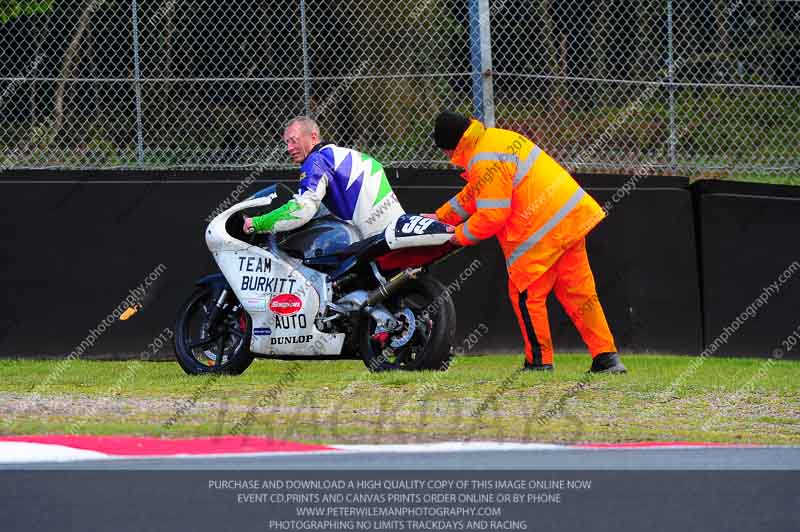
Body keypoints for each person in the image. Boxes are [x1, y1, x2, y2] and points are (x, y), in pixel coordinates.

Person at [424, 111, 626, 373]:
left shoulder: (482, 159)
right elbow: (474, 194)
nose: (447, 158)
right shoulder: (494, 141)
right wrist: (440, 217)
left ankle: (539, 363)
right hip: (569, 220)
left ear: (452, 145)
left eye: (444, 152)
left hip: (540, 233)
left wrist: (455, 237)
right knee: (580, 294)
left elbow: (492, 216)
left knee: (526, 296)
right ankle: (607, 357)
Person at [243, 116, 404, 238]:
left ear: (313, 137)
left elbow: (302, 209)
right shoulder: (349, 154)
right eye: (286, 143)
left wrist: (257, 223)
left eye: (293, 141)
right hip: (397, 231)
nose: (289, 148)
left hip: (377, 242)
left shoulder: (317, 161)